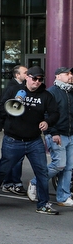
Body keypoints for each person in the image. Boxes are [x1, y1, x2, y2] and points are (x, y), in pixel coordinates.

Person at [0, 66, 59, 214]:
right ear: (27, 77)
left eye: (40, 79)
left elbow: (55, 113)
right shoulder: (14, 90)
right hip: (13, 139)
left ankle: (43, 204)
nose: (37, 82)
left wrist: (47, 122)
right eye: (34, 78)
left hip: (34, 140)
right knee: (4, 169)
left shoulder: (45, 96)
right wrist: (7, 121)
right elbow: (1, 108)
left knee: (42, 172)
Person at [30, 67, 73, 207]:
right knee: (59, 165)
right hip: (57, 134)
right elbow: (47, 115)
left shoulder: (70, 92)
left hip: (70, 134)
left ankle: (63, 196)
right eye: (67, 74)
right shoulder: (51, 93)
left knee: (68, 167)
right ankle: (35, 182)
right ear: (58, 76)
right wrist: (53, 132)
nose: (70, 76)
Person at [0, 65, 29, 194]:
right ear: (17, 75)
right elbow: (4, 107)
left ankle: (10, 182)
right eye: (25, 73)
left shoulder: (20, 87)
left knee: (13, 158)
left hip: (17, 127)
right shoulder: (13, 88)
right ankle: (12, 182)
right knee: (14, 158)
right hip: (13, 128)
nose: (27, 75)